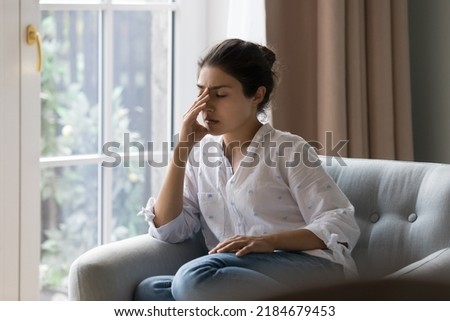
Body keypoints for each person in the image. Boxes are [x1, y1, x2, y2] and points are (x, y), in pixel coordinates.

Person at [135, 38, 360, 301]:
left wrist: (270, 242)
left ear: (257, 95)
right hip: (236, 270)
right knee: (150, 290)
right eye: (201, 93)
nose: (206, 106)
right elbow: (168, 229)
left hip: (308, 267)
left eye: (220, 95)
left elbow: (340, 223)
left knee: (193, 278)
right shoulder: (201, 156)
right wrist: (182, 149)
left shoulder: (288, 149)